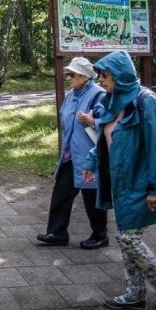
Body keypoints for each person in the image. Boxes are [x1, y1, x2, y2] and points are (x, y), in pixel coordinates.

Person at [82, 50, 156, 310]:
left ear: (120, 75)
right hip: (122, 184)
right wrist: (91, 164)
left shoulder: (148, 103)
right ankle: (134, 293)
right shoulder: (115, 101)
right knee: (127, 236)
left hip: (144, 183)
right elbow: (105, 137)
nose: (100, 81)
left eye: (105, 75)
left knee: (127, 237)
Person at [36, 57, 108, 249]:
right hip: (70, 155)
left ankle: (100, 235)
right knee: (61, 193)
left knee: (92, 196)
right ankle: (57, 233)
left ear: (84, 77)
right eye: (68, 73)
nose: (69, 77)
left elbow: (110, 124)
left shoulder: (98, 95)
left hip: (89, 156)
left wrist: (93, 122)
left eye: (73, 74)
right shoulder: (71, 95)